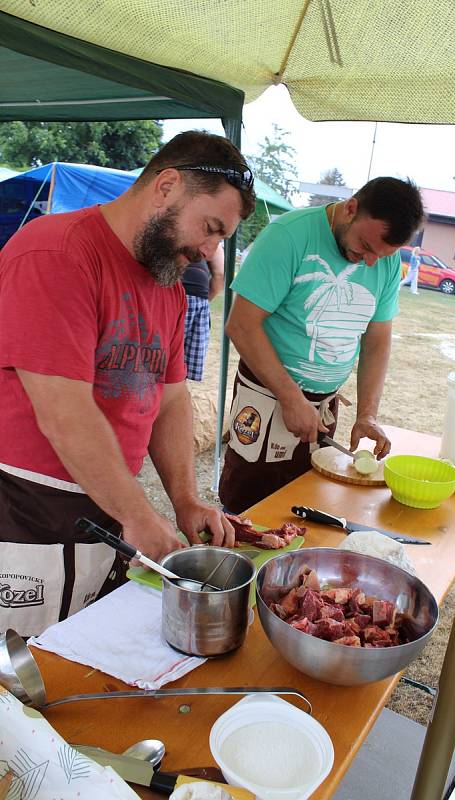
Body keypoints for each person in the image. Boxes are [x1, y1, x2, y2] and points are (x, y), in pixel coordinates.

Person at [0, 130, 255, 636]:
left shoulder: (169, 288)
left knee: (81, 650)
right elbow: (63, 412)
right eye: (210, 228)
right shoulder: (57, 252)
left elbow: (171, 397)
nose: (208, 252)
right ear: (166, 186)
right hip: (26, 505)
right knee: (19, 673)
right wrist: (139, 515)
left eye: (220, 239)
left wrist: (183, 499)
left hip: (106, 498)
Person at [219, 177, 424, 513]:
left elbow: (377, 341)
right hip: (266, 396)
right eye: (365, 246)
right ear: (351, 208)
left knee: (304, 503)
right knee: (248, 505)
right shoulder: (288, 237)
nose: (369, 261)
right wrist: (289, 397)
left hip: (323, 405)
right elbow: (241, 325)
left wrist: (367, 414)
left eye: (382, 254)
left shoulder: (383, 260)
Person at [181, 243, 224, 381]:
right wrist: (204, 299)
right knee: (185, 366)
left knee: (164, 359)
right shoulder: (212, 240)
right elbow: (219, 274)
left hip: (175, 293)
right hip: (198, 298)